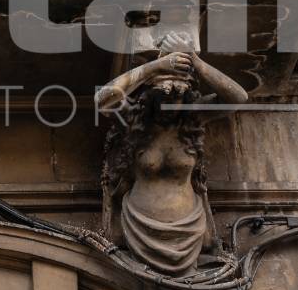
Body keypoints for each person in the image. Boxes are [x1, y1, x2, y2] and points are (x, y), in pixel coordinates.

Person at [95, 35, 248, 275]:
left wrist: (196, 62)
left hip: (189, 228)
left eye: (178, 96)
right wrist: (155, 67)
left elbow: (238, 98)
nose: (171, 103)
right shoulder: (135, 122)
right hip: (139, 224)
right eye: (164, 95)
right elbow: (103, 99)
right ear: (149, 96)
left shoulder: (192, 121)